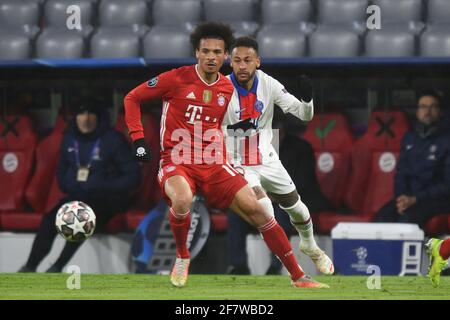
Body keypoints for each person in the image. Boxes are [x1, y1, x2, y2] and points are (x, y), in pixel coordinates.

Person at [123, 22, 328, 288]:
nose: (211, 57)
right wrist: (138, 138)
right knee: (183, 199)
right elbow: (132, 98)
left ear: (224, 56)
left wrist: (238, 129)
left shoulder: (227, 88)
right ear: (196, 53)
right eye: (206, 51)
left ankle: (298, 276)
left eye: (217, 52)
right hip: (178, 160)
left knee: (260, 212)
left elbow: (223, 127)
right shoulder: (176, 78)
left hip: (214, 162)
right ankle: (183, 256)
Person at [222, 36, 334, 275]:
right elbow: (207, 127)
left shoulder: (269, 84)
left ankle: (310, 246)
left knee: (298, 210)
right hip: (240, 164)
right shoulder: (220, 89)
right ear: (230, 62)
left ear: (257, 62)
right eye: (237, 60)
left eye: (247, 60)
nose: (242, 65)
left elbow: (303, 116)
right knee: (264, 210)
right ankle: (290, 270)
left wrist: (308, 99)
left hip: (268, 160)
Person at [19, 98, 140, 273]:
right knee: (50, 219)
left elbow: (133, 177)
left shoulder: (113, 140)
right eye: (81, 113)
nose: (86, 118)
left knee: (81, 217)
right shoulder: (69, 139)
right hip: (79, 196)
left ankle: (57, 267)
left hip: (109, 200)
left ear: (99, 117)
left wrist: (102, 186)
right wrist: (73, 186)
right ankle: (30, 267)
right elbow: (61, 174)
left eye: (91, 113)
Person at [227, 117, 336, 275]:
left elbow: (304, 182)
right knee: (235, 214)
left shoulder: (301, 148)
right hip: (259, 197)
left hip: (293, 198)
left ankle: (275, 266)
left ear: (280, 132)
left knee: (281, 213)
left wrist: (273, 194)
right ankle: (238, 266)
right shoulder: (250, 148)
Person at [375, 90, 450, 228]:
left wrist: (415, 199)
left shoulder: (446, 140)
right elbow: (400, 173)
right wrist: (401, 198)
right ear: (417, 111)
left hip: (436, 200)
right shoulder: (409, 137)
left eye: (432, 106)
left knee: (406, 223)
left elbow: (446, 185)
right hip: (409, 198)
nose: (427, 111)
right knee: (382, 217)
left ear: (440, 111)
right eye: (423, 106)